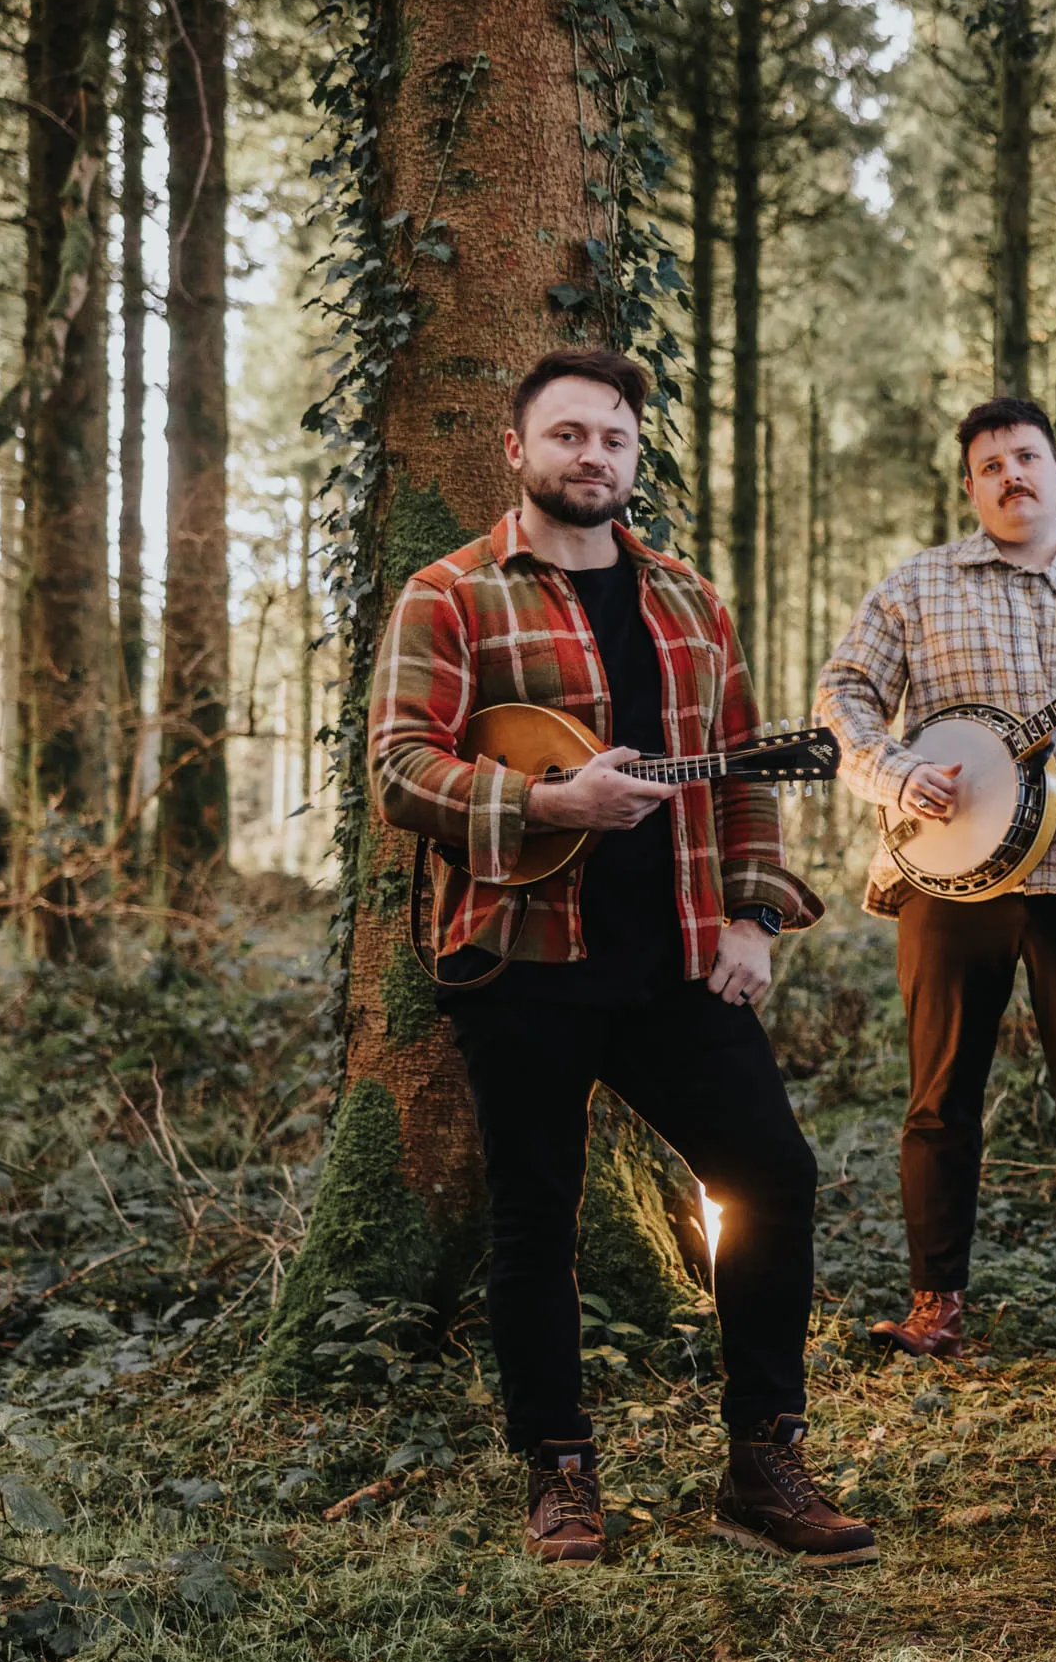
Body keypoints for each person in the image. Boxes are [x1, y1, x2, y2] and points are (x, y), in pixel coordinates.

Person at [370, 347, 871, 1567]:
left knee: (772, 1174)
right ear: (518, 450)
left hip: (679, 962)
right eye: (568, 436)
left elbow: (748, 772)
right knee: (535, 1214)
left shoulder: (693, 603)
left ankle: (763, 1457)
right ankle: (559, 1468)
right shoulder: (451, 595)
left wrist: (754, 917)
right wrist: (548, 807)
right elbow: (399, 767)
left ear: (635, 458)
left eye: (613, 439)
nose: (592, 456)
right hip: (519, 960)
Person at [817, 397, 1056, 1371]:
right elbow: (843, 695)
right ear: (971, 485)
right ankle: (935, 1302)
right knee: (940, 1095)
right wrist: (896, 770)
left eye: (1027, 456)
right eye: (990, 464)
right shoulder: (918, 586)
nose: (1011, 474)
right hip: (951, 874)